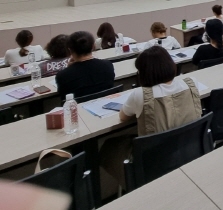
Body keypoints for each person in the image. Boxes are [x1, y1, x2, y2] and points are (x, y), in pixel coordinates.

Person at [101, 46, 204, 188]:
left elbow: (123, 117)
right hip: (189, 149)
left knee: (109, 147)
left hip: (156, 160)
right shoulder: (192, 82)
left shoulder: (139, 95)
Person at [56, 31, 115, 100]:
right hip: (106, 107)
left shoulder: (63, 76)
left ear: (70, 50)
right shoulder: (108, 65)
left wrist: (68, 69)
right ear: (93, 46)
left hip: (78, 110)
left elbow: (64, 97)